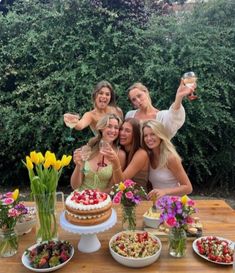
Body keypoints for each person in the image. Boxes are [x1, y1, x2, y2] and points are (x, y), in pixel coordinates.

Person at [71, 114, 126, 193]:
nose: (113, 130)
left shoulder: (120, 154)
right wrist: (78, 165)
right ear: (101, 128)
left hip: (102, 200)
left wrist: (97, 194)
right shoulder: (88, 148)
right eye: (109, 126)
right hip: (80, 198)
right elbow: (75, 186)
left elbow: (116, 187)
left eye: (116, 128)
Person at [141, 120, 193, 199]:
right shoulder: (148, 157)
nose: (149, 138)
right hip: (160, 204)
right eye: (145, 135)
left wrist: (165, 191)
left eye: (153, 134)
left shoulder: (170, 158)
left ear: (160, 135)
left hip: (176, 205)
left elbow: (188, 188)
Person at [125, 81, 196, 138]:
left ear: (146, 93)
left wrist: (179, 97)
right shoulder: (130, 115)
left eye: (139, 96)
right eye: (134, 99)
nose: (138, 100)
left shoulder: (162, 117)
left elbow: (174, 116)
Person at [102, 118, 150, 192]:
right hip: (122, 196)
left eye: (127, 131)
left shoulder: (141, 154)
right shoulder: (121, 151)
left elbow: (120, 183)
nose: (122, 133)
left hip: (138, 198)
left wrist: (116, 162)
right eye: (121, 129)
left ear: (135, 135)